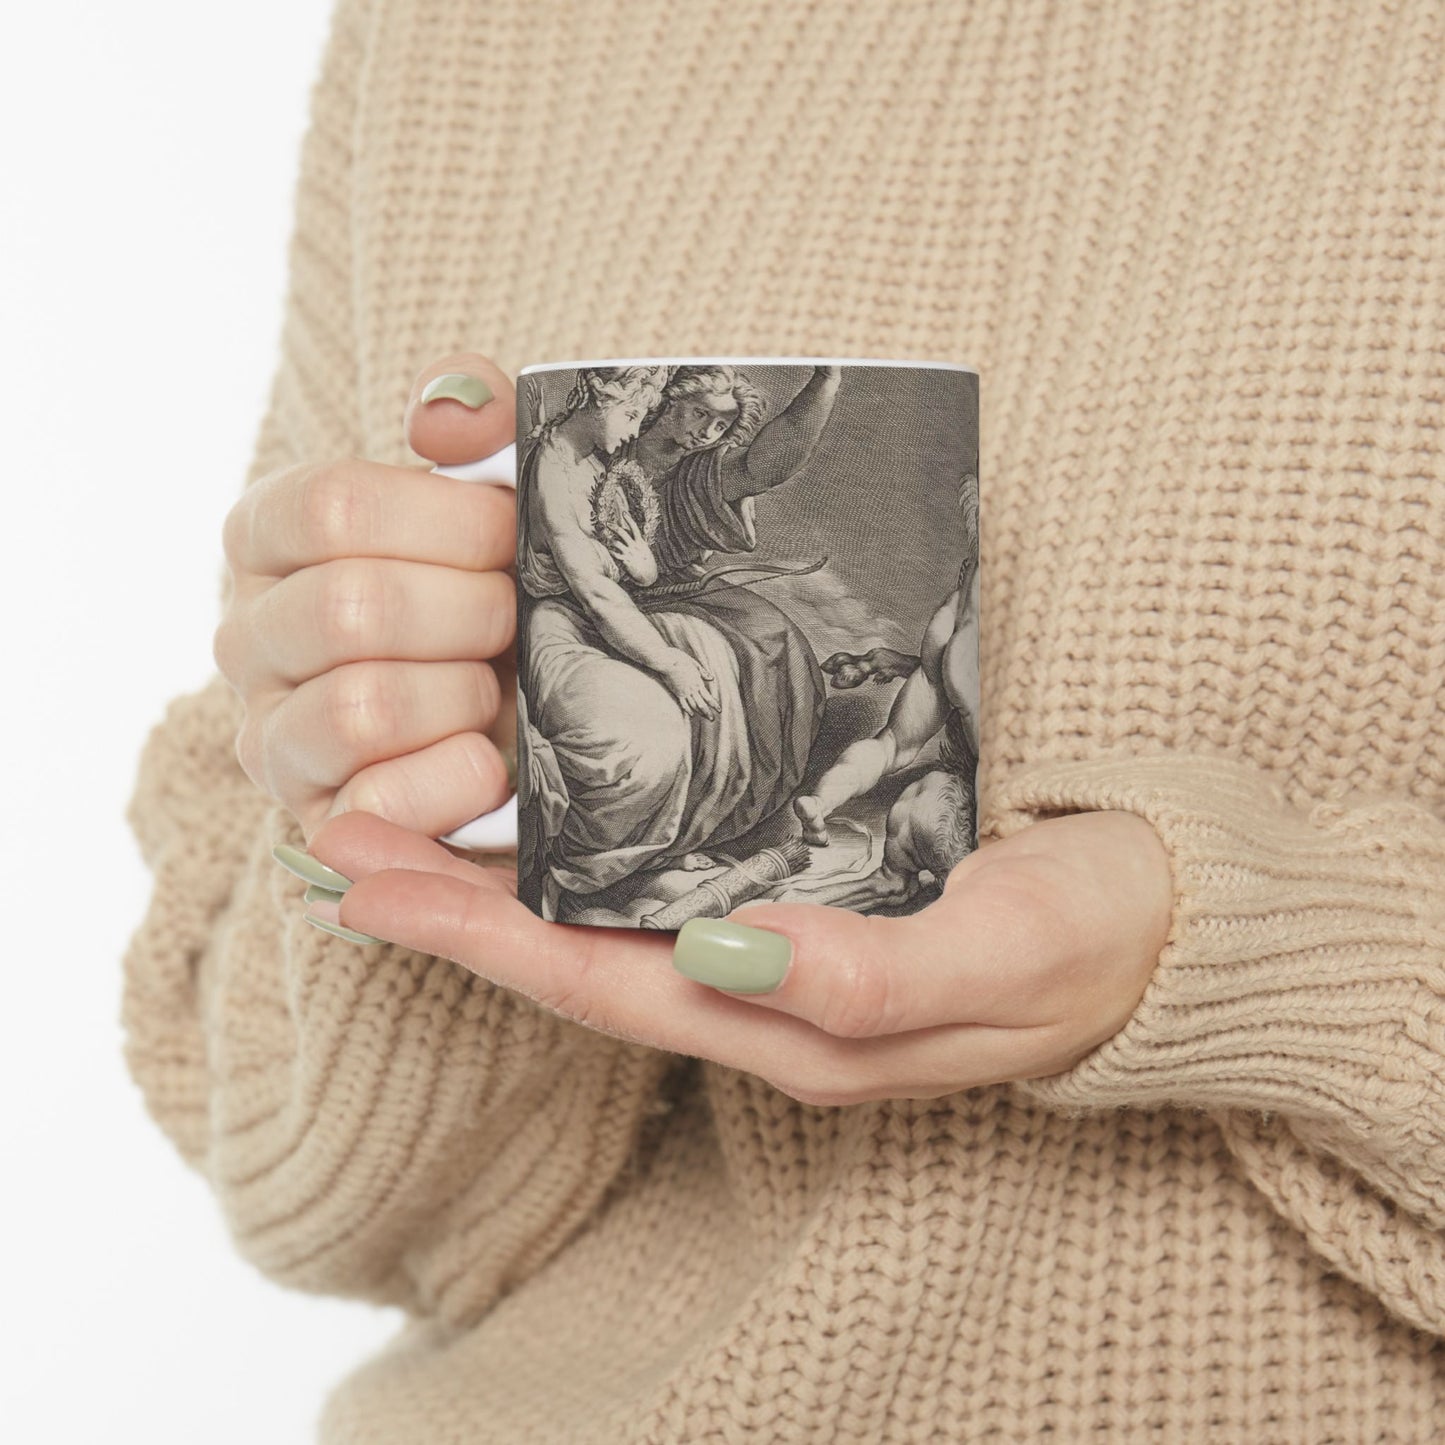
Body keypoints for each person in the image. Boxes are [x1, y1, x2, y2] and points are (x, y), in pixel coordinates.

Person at [122, 0, 1445, 1440]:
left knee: (765, 629)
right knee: (740, 647)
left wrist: (1247, 953)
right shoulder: (454, 39)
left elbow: (755, 476)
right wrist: (419, 815)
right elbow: (290, 1169)